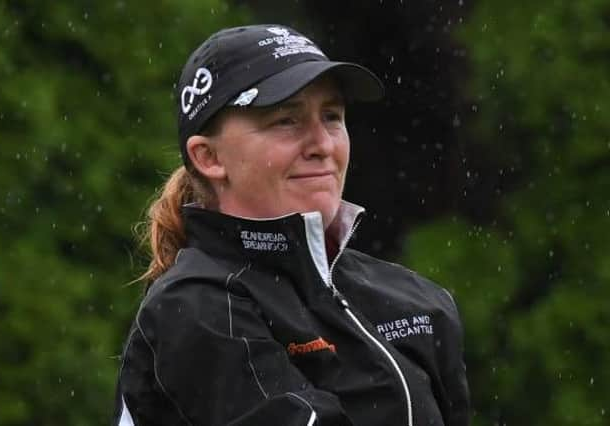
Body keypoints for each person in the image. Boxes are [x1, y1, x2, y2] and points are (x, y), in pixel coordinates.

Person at [112, 24, 470, 426]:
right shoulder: (193, 308)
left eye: (332, 116)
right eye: (286, 120)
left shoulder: (417, 302)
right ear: (209, 157)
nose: (323, 144)